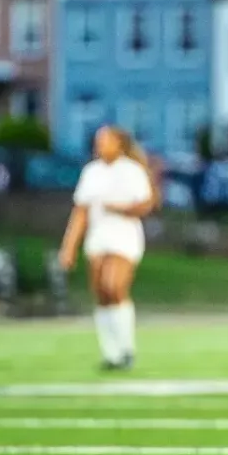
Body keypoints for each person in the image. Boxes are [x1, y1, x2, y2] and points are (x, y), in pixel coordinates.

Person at [59, 126, 156, 371]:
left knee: (114, 286)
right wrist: (69, 246)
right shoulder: (91, 173)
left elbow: (146, 204)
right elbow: (80, 211)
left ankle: (127, 348)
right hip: (98, 237)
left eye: (105, 141)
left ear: (119, 144)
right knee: (101, 292)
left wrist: (121, 209)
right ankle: (111, 353)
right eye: (98, 141)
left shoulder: (132, 171)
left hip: (124, 237)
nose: (99, 145)